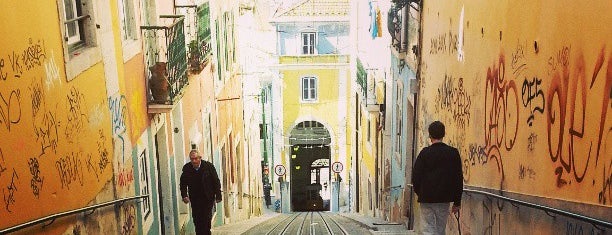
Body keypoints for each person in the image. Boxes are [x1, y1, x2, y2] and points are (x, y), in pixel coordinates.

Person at [412, 121, 463, 235]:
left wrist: (420, 192)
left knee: (427, 229)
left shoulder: (424, 153)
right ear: (444, 134)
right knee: (440, 229)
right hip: (444, 198)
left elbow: (416, 175)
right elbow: (458, 177)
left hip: (426, 198)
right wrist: (457, 201)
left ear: (430, 136)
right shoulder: (452, 153)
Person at [180, 149, 222, 235]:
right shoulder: (187, 168)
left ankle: (207, 233)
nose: (194, 161)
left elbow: (216, 181)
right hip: (195, 198)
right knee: (197, 219)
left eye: (196, 158)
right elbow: (183, 183)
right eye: (192, 159)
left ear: (200, 158)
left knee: (206, 219)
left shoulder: (208, 166)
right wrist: (184, 195)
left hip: (208, 197)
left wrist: (218, 196)